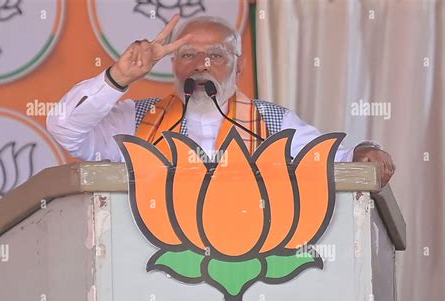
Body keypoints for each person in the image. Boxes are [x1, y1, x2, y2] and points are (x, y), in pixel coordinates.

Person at [46, 14, 395, 187]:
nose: (201, 65)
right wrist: (117, 78)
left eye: (216, 55)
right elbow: (64, 128)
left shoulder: (272, 122)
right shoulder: (135, 120)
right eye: (187, 55)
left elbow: (335, 159)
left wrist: (367, 150)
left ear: (239, 66)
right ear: (171, 64)